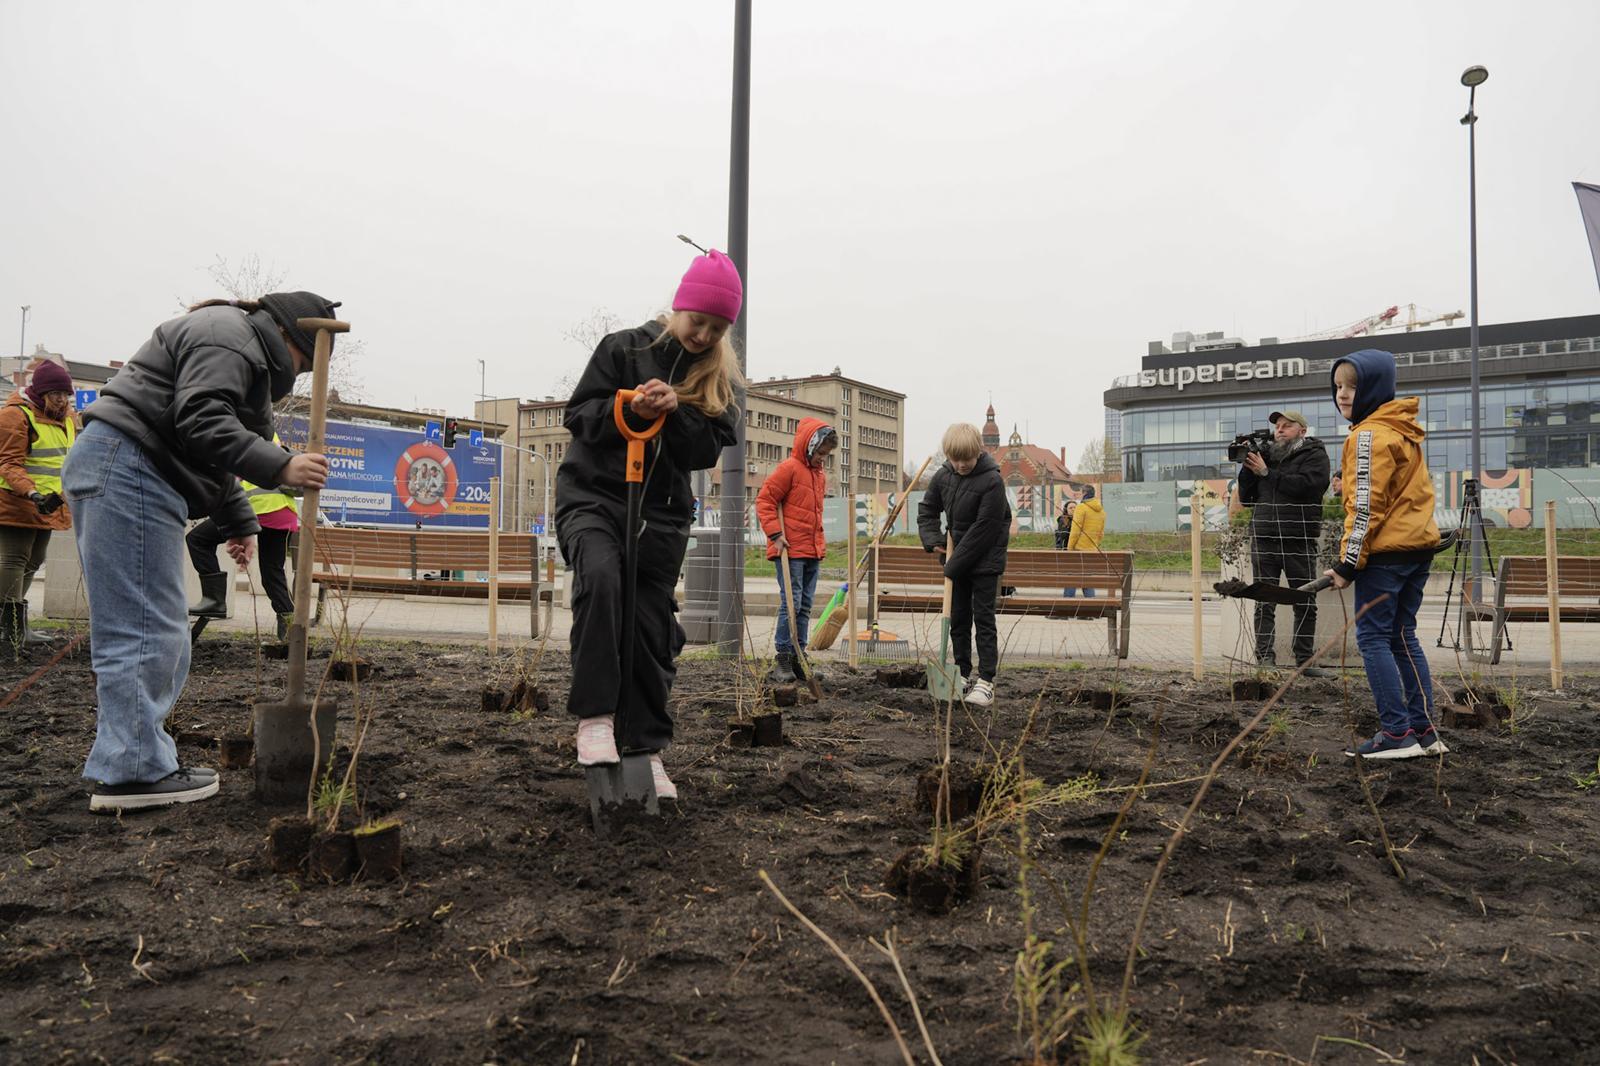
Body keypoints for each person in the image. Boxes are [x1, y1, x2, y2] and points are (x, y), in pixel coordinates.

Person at [62, 292, 337, 811]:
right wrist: (281, 465)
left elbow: (208, 451)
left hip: (131, 467)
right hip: (131, 468)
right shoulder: (229, 336)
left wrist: (239, 522)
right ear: (288, 337)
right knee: (146, 629)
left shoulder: (236, 343)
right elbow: (202, 421)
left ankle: (135, 759)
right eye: (302, 365)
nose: (298, 376)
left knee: (153, 626)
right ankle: (132, 771)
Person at [560, 250, 743, 800]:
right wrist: (632, 410)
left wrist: (675, 412)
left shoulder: (718, 380)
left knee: (649, 627)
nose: (703, 335)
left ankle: (644, 748)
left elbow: (704, 450)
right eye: (697, 321)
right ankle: (596, 718)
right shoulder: (624, 349)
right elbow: (580, 416)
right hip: (594, 500)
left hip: (659, 517)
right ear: (679, 307)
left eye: (716, 329)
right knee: (601, 580)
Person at [1324, 349, 1447, 760]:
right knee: (1402, 636)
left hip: (1386, 555)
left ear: (1375, 387)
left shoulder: (1368, 435)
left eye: (1353, 385)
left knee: (1373, 638)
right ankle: (1424, 731)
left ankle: (1396, 733)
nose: (1343, 394)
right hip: (1417, 548)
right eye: (1338, 386)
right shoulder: (1402, 429)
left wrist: (1347, 563)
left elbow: (1365, 507)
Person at [918, 423, 1011, 707]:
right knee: (958, 619)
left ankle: (986, 681)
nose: (961, 465)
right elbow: (927, 509)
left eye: (967, 459)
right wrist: (933, 539)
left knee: (983, 619)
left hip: (985, 561)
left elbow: (985, 529)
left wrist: (951, 565)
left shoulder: (992, 481)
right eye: (955, 459)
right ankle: (961, 673)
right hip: (957, 559)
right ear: (948, 455)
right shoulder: (944, 475)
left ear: (978, 451)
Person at [1236, 410, 1331, 673]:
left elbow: (1309, 487)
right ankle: (1265, 660)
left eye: (1287, 426)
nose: (1279, 430)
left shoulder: (1315, 454)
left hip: (1298, 538)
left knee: (1304, 600)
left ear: (1302, 431)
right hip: (1264, 537)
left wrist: (1267, 473)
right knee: (1264, 602)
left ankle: (1305, 661)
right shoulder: (1266, 455)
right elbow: (1246, 499)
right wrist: (1248, 468)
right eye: (1277, 426)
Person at [186, 433, 299, 642]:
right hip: (282, 513)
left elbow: (228, 478)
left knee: (198, 540)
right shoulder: (268, 433)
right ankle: (290, 635)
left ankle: (215, 598)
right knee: (272, 575)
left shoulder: (239, 431)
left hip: (255, 511)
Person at [0, 359, 76, 655]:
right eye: (55, 394)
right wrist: (32, 494)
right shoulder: (16, 415)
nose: (61, 400)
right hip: (15, 501)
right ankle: (10, 630)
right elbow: (8, 463)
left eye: (65, 394)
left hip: (49, 503)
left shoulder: (66, 419)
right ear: (40, 392)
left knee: (34, 560)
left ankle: (14, 624)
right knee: (14, 559)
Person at [755, 417, 836, 683]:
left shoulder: (818, 475)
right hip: (790, 549)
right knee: (791, 603)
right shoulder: (789, 468)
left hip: (811, 549)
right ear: (810, 446)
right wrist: (775, 535)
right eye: (820, 453)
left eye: (826, 454)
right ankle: (783, 658)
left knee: (805, 605)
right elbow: (765, 501)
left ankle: (799, 657)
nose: (823, 458)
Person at [1065, 485, 1106, 597]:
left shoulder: (1081, 507)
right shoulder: (1101, 511)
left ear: (1084, 493)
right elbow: (1101, 533)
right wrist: (1094, 545)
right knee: (1087, 578)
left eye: (1080, 493)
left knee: (1071, 578)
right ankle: (1091, 603)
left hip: (1079, 550)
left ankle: (1066, 604)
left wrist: (1070, 548)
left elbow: (1075, 531)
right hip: (1092, 550)